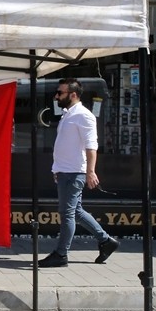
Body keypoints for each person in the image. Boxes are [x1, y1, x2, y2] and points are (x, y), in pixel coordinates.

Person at [40, 79, 119, 268]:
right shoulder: (69, 114)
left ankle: (61, 254)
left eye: (60, 93)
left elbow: (92, 146)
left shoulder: (84, 116)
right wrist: (57, 168)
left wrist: (90, 171)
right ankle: (106, 241)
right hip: (65, 171)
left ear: (73, 94)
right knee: (76, 211)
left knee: (67, 213)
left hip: (74, 173)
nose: (56, 96)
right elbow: (66, 145)